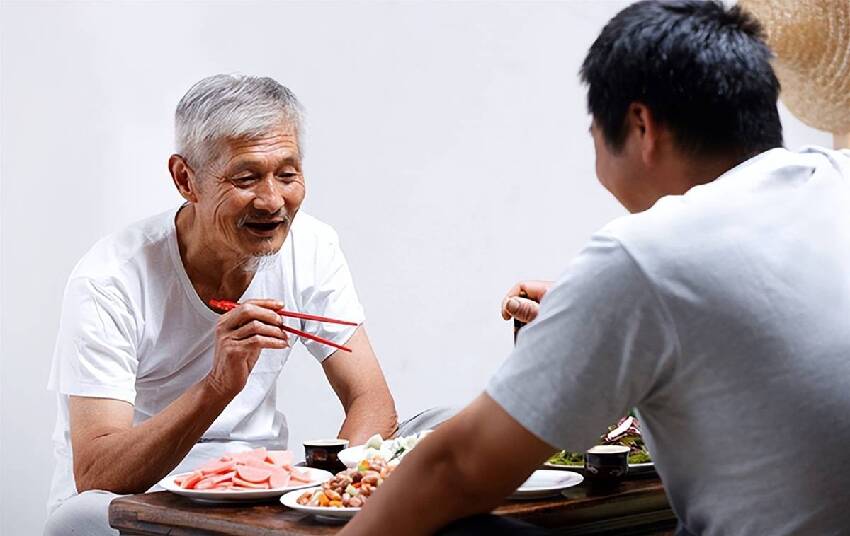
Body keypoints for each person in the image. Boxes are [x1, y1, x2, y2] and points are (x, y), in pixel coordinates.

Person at [341, 1, 850, 535]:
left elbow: (457, 467)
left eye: (594, 137)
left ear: (640, 125)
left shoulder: (645, 254)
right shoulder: (836, 182)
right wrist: (590, 311)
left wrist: (612, 299)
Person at [44, 74, 398, 535]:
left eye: (287, 174)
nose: (273, 201)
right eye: (246, 177)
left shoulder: (312, 246)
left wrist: (330, 494)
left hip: (260, 498)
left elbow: (372, 400)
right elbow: (97, 473)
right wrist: (216, 385)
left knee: (438, 426)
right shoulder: (110, 279)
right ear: (184, 179)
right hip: (133, 505)